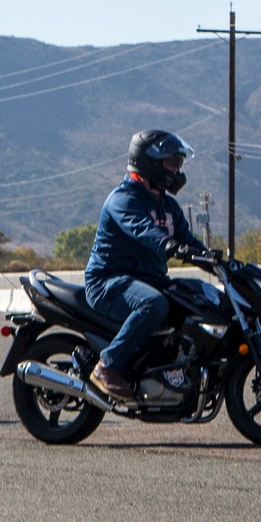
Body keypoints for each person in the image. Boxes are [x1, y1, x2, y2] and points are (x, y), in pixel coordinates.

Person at [83, 130, 203, 399]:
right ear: (149, 162)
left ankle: (169, 369)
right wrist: (168, 245)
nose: (176, 169)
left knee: (195, 295)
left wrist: (218, 260)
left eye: (178, 163)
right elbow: (143, 230)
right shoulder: (123, 200)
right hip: (109, 282)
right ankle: (107, 366)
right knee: (154, 304)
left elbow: (189, 240)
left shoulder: (168, 206)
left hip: (149, 280)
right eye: (171, 162)